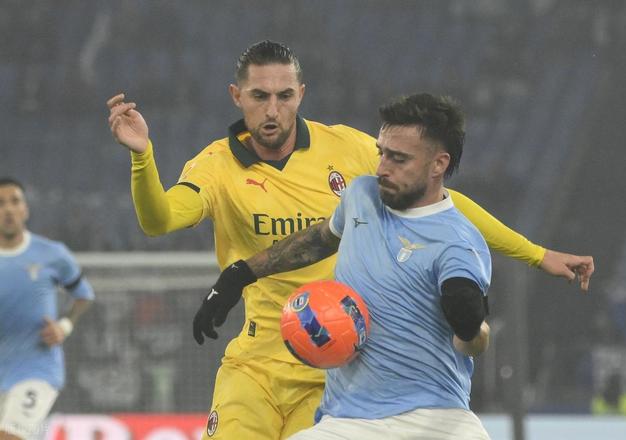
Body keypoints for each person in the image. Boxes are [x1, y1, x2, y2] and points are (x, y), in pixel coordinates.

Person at [107, 40, 594, 439]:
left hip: (336, 363)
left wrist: (536, 254)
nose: (273, 109)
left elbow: (445, 203)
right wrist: (142, 157)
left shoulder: (348, 148)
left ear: (301, 93)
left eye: (284, 96)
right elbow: (159, 220)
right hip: (257, 361)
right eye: (259, 96)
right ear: (237, 96)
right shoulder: (215, 165)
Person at [211, 93, 506, 438]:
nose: (382, 168)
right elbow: (320, 239)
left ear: (438, 164)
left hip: (434, 419)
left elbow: (471, 339)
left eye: (398, 159)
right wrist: (244, 272)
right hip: (348, 422)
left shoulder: (457, 241)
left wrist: (472, 330)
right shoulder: (361, 196)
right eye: (382, 153)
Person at [0, 178, 95, 440]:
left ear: (25, 209)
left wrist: (65, 326)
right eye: (1, 203)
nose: (8, 209)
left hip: (36, 369)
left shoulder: (52, 254)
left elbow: (84, 296)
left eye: (15, 201)